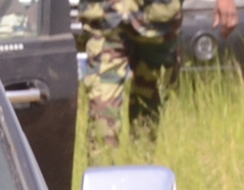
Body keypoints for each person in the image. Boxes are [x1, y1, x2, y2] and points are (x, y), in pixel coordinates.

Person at [77, 0, 232, 150]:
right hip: (107, 20)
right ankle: (102, 175)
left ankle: (142, 170)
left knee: (147, 121)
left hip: (159, 22)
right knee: (102, 122)